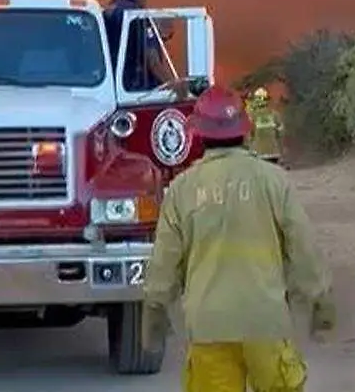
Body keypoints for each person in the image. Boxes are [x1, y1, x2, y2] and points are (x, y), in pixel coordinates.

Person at [142, 86, 335, 392]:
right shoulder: (274, 181)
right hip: (265, 322)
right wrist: (320, 300)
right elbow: (303, 247)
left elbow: (164, 262)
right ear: (245, 131)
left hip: (208, 327)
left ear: (198, 134)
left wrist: (154, 311)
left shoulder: (182, 189)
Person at [103, 0, 176, 92]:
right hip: (136, 93)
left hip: (108, 89)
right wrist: (175, 86)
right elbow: (153, 62)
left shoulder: (104, 13)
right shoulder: (140, 17)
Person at [246, 87, 285, 165]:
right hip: (274, 153)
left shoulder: (253, 116)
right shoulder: (274, 114)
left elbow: (249, 135)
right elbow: (280, 133)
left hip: (260, 154)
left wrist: (250, 149)